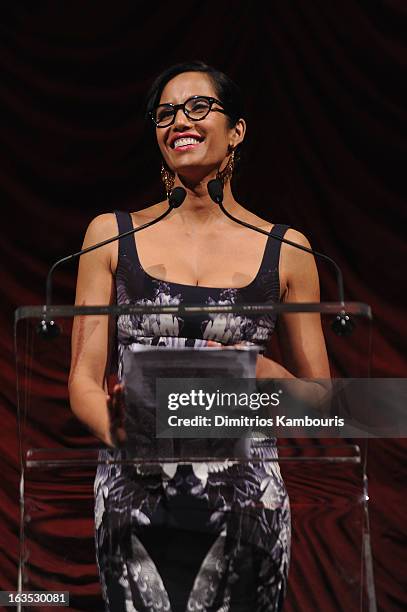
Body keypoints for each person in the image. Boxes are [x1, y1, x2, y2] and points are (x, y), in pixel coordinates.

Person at [69, 61, 330, 612]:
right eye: (165, 113)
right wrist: (116, 430)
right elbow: (82, 381)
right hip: (134, 497)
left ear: (236, 130)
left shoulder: (288, 249)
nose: (178, 121)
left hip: (245, 504)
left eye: (197, 107)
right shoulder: (109, 236)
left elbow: (323, 401)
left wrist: (265, 375)